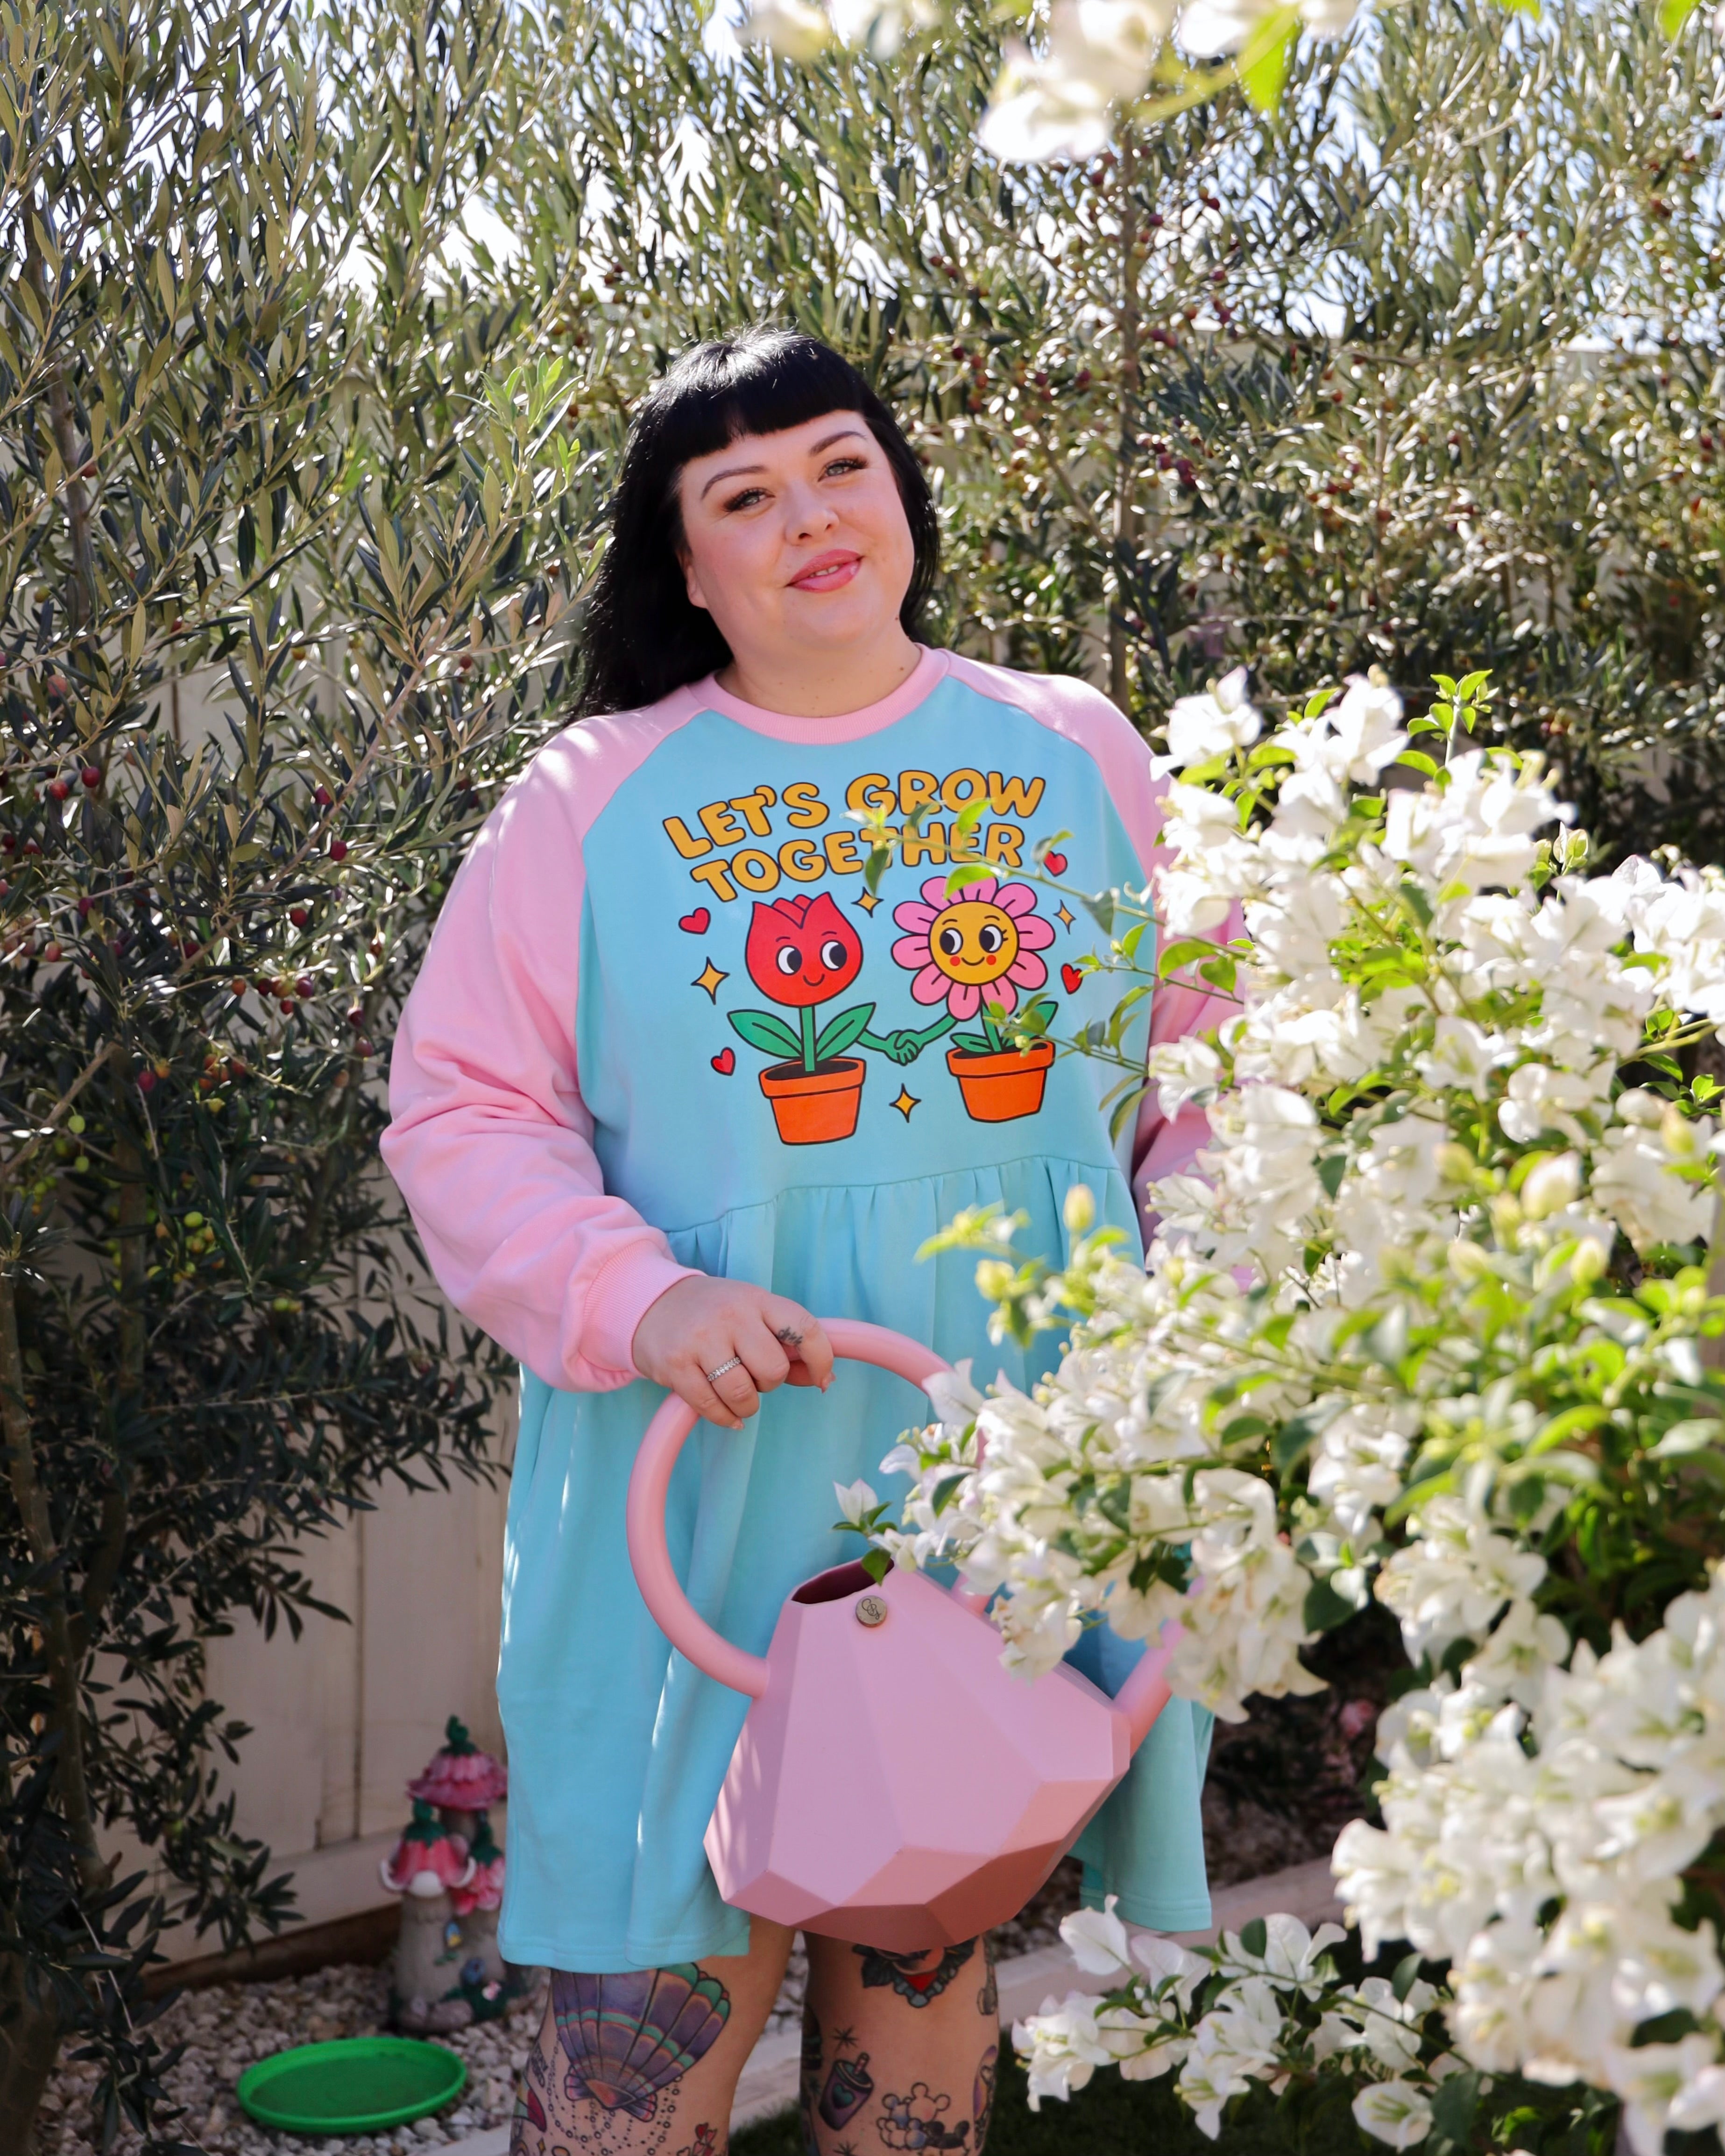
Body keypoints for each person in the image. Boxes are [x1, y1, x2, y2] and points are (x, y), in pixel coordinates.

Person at [383, 327, 1229, 2156]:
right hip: (705, 1483)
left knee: (924, 1990)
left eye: (843, 464)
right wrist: (642, 1293)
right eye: (745, 494)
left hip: (999, 1472)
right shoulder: (586, 797)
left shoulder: (1074, 745)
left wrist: (1205, 1314)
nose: (813, 516)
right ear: (687, 568)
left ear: (903, 493)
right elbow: (462, 1111)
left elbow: (1213, 1070)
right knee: (634, 2049)